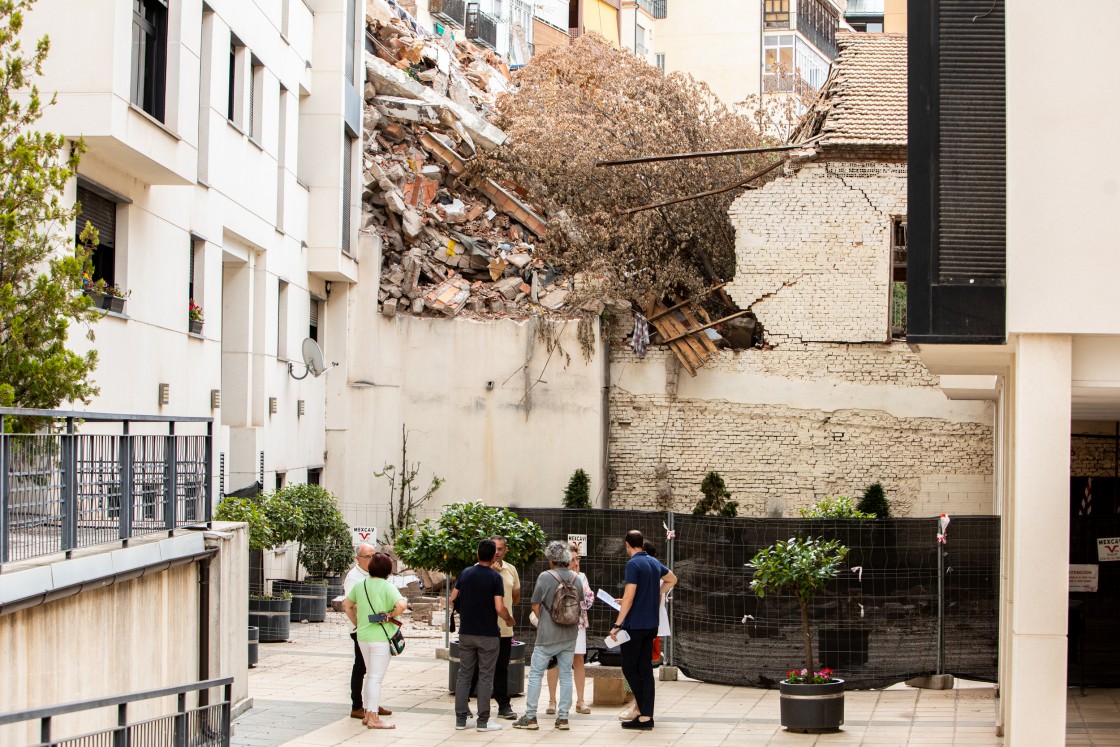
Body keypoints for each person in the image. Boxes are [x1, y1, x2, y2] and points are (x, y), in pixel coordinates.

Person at [513, 541, 585, 731]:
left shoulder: (545, 577)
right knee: (566, 675)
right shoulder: (576, 578)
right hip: (570, 634)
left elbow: (535, 604)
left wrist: (544, 621)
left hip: (547, 636)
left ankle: (530, 717)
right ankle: (563, 718)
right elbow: (581, 604)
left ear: (551, 559)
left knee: (536, 674)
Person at [609, 530, 677, 730]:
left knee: (629, 668)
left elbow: (629, 597)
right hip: (651, 626)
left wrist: (617, 624)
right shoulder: (654, 562)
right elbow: (673, 579)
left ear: (627, 545)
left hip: (634, 626)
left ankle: (644, 711)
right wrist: (657, 592)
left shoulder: (633, 564)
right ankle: (646, 716)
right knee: (645, 669)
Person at [451, 539, 515, 732]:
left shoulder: (466, 573)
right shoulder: (495, 578)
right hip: (488, 634)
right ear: (492, 555)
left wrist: (467, 610)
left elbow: (453, 598)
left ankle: (461, 719)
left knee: (464, 675)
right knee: (486, 676)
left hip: (466, 633)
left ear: (478, 554)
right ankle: (483, 721)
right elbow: (499, 607)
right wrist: (509, 619)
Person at [342, 551, 407, 729]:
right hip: (380, 637)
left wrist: (358, 623)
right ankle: (373, 718)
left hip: (363, 636)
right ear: (388, 570)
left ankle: (368, 713)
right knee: (375, 678)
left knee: (370, 675)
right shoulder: (387, 586)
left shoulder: (360, 584)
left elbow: (346, 605)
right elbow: (401, 604)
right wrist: (390, 615)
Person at [343, 543, 393, 721]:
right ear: (358, 559)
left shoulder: (374, 575)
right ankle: (357, 706)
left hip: (375, 629)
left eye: (374, 555)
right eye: (368, 556)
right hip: (362, 629)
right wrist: (358, 624)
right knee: (361, 667)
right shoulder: (354, 578)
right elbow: (351, 604)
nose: (372, 559)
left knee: (373, 670)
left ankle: (371, 705)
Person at [546, 541, 594, 715]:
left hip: (577, 624)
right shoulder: (553, 576)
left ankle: (580, 701)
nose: (575, 562)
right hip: (557, 623)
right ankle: (552, 701)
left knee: (578, 660)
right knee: (555, 660)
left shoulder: (581, 577)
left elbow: (589, 600)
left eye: (577, 558)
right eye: (572, 559)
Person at [491, 534, 521, 720]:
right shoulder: (482, 569)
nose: (496, 552)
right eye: (493, 548)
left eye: (500, 549)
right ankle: (468, 707)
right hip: (483, 629)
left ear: (505, 550)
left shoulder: (511, 570)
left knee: (502, 667)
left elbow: (515, 596)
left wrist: (508, 609)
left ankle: (503, 705)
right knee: (478, 667)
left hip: (505, 627)